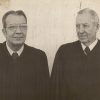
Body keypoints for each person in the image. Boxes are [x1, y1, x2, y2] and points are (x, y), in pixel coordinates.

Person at [51, 8, 100, 100]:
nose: (80, 31)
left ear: (97, 27)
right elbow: (55, 91)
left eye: (85, 26)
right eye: (78, 26)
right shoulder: (64, 52)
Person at [0, 10, 50, 100]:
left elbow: (45, 95)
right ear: (4, 32)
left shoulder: (39, 57)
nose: (19, 31)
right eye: (12, 27)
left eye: (23, 27)